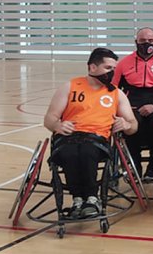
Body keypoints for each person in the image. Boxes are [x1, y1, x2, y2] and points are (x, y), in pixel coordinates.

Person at [43, 48, 138, 218]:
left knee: (87, 152)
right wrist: (57, 125)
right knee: (70, 153)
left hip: (96, 138)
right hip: (68, 136)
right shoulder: (70, 86)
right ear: (92, 68)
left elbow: (133, 125)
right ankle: (78, 199)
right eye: (108, 68)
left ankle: (91, 198)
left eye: (113, 69)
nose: (112, 72)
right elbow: (49, 118)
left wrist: (126, 124)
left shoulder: (117, 93)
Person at [112, 27, 153, 180]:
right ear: (136, 42)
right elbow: (113, 89)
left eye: (150, 41)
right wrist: (122, 108)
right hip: (132, 103)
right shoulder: (124, 63)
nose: (146, 44)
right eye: (142, 41)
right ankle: (134, 166)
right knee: (129, 122)